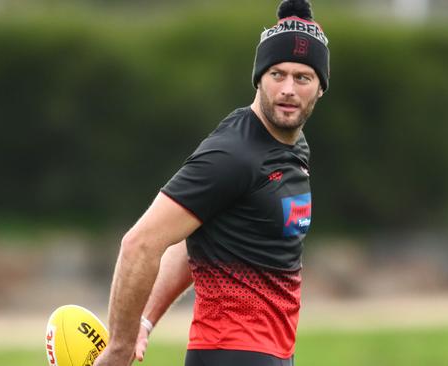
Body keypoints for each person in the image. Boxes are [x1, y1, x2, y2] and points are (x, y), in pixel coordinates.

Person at [93, 0, 329, 365]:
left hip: (274, 353)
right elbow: (140, 243)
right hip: (231, 353)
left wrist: (145, 320)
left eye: (302, 78)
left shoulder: (292, 145)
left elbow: (199, 240)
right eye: (277, 74)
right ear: (259, 77)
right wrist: (120, 347)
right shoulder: (233, 154)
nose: (288, 89)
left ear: (320, 88)